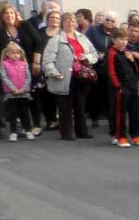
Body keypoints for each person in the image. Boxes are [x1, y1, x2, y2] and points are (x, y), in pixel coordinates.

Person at [41, 12, 99, 141]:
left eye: (72, 21)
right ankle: (66, 133)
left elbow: (94, 54)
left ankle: (82, 131)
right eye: (67, 21)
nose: (70, 23)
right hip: (63, 76)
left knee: (80, 104)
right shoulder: (55, 39)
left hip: (81, 76)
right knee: (64, 106)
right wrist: (53, 72)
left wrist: (87, 57)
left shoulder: (83, 38)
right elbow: (47, 60)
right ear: (62, 23)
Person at [106, 28, 139, 147]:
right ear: (113, 40)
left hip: (133, 85)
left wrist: (132, 60)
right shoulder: (112, 53)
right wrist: (118, 86)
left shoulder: (127, 52)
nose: (124, 42)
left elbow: (136, 70)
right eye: (121, 39)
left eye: (126, 39)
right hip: (122, 87)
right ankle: (121, 136)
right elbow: (111, 72)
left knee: (136, 111)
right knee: (120, 112)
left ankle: (136, 135)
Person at [0, 41, 35, 141]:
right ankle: (13, 132)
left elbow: (28, 77)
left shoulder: (24, 64)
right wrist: (13, 89)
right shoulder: (4, 64)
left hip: (23, 93)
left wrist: (24, 88)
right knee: (13, 113)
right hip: (11, 93)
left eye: (18, 53)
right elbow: (4, 77)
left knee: (24, 112)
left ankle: (27, 130)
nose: (16, 55)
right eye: (13, 53)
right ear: (7, 54)